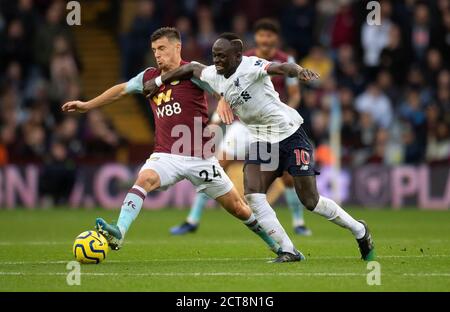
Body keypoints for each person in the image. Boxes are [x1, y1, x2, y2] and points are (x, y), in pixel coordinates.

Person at [62, 27, 299, 262]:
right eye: (154, 49)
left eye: (162, 48)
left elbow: (223, 84)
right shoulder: (148, 77)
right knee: (144, 179)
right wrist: (86, 105)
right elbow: (120, 90)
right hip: (166, 155)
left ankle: (277, 247)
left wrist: (223, 100)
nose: (157, 54)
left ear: (177, 47)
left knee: (239, 208)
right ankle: (119, 232)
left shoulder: (194, 72)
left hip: (201, 158)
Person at [144, 32, 376, 261]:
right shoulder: (213, 73)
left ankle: (359, 230)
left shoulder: (251, 66)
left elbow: (282, 67)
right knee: (253, 195)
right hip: (263, 141)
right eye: (214, 56)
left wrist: (298, 71)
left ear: (237, 56)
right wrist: (157, 81)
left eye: (222, 56)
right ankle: (288, 250)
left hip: (290, 135)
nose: (217, 61)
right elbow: (191, 68)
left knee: (311, 201)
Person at [171, 19, 312, 236]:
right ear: (256, 38)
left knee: (287, 176)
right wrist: (220, 108)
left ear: (276, 38)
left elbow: (295, 95)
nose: (265, 39)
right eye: (261, 35)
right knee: (216, 166)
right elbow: (221, 86)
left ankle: (298, 222)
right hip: (242, 125)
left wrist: (282, 112)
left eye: (269, 35)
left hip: (273, 126)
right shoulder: (241, 58)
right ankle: (192, 220)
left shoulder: (284, 60)